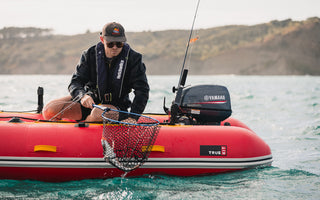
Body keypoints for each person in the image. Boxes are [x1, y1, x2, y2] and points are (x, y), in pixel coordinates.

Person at [43, 22, 149, 123]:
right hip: (90, 102)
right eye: (110, 43)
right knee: (49, 109)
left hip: (116, 109)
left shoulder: (134, 59)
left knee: (98, 113)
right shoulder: (89, 55)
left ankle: (85, 125)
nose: (115, 47)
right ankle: (75, 124)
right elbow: (75, 83)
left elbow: (142, 90)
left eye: (119, 43)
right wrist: (83, 96)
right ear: (102, 40)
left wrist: (133, 117)